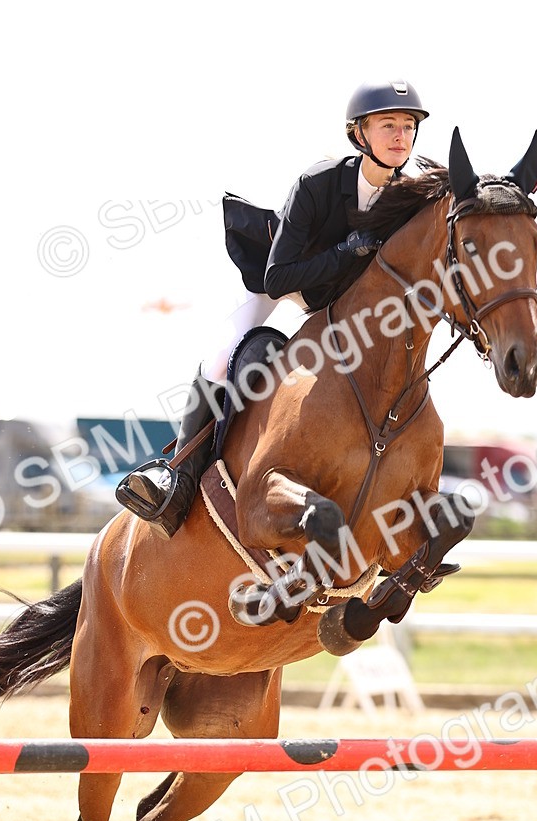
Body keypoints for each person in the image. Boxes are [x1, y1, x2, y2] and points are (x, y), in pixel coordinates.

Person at [118, 80, 429, 539]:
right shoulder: (317, 182)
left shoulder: (413, 189)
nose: (401, 136)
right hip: (284, 281)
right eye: (388, 125)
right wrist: (348, 251)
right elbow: (278, 277)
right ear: (360, 134)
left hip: (341, 301)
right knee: (224, 355)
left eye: (408, 126)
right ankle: (177, 476)